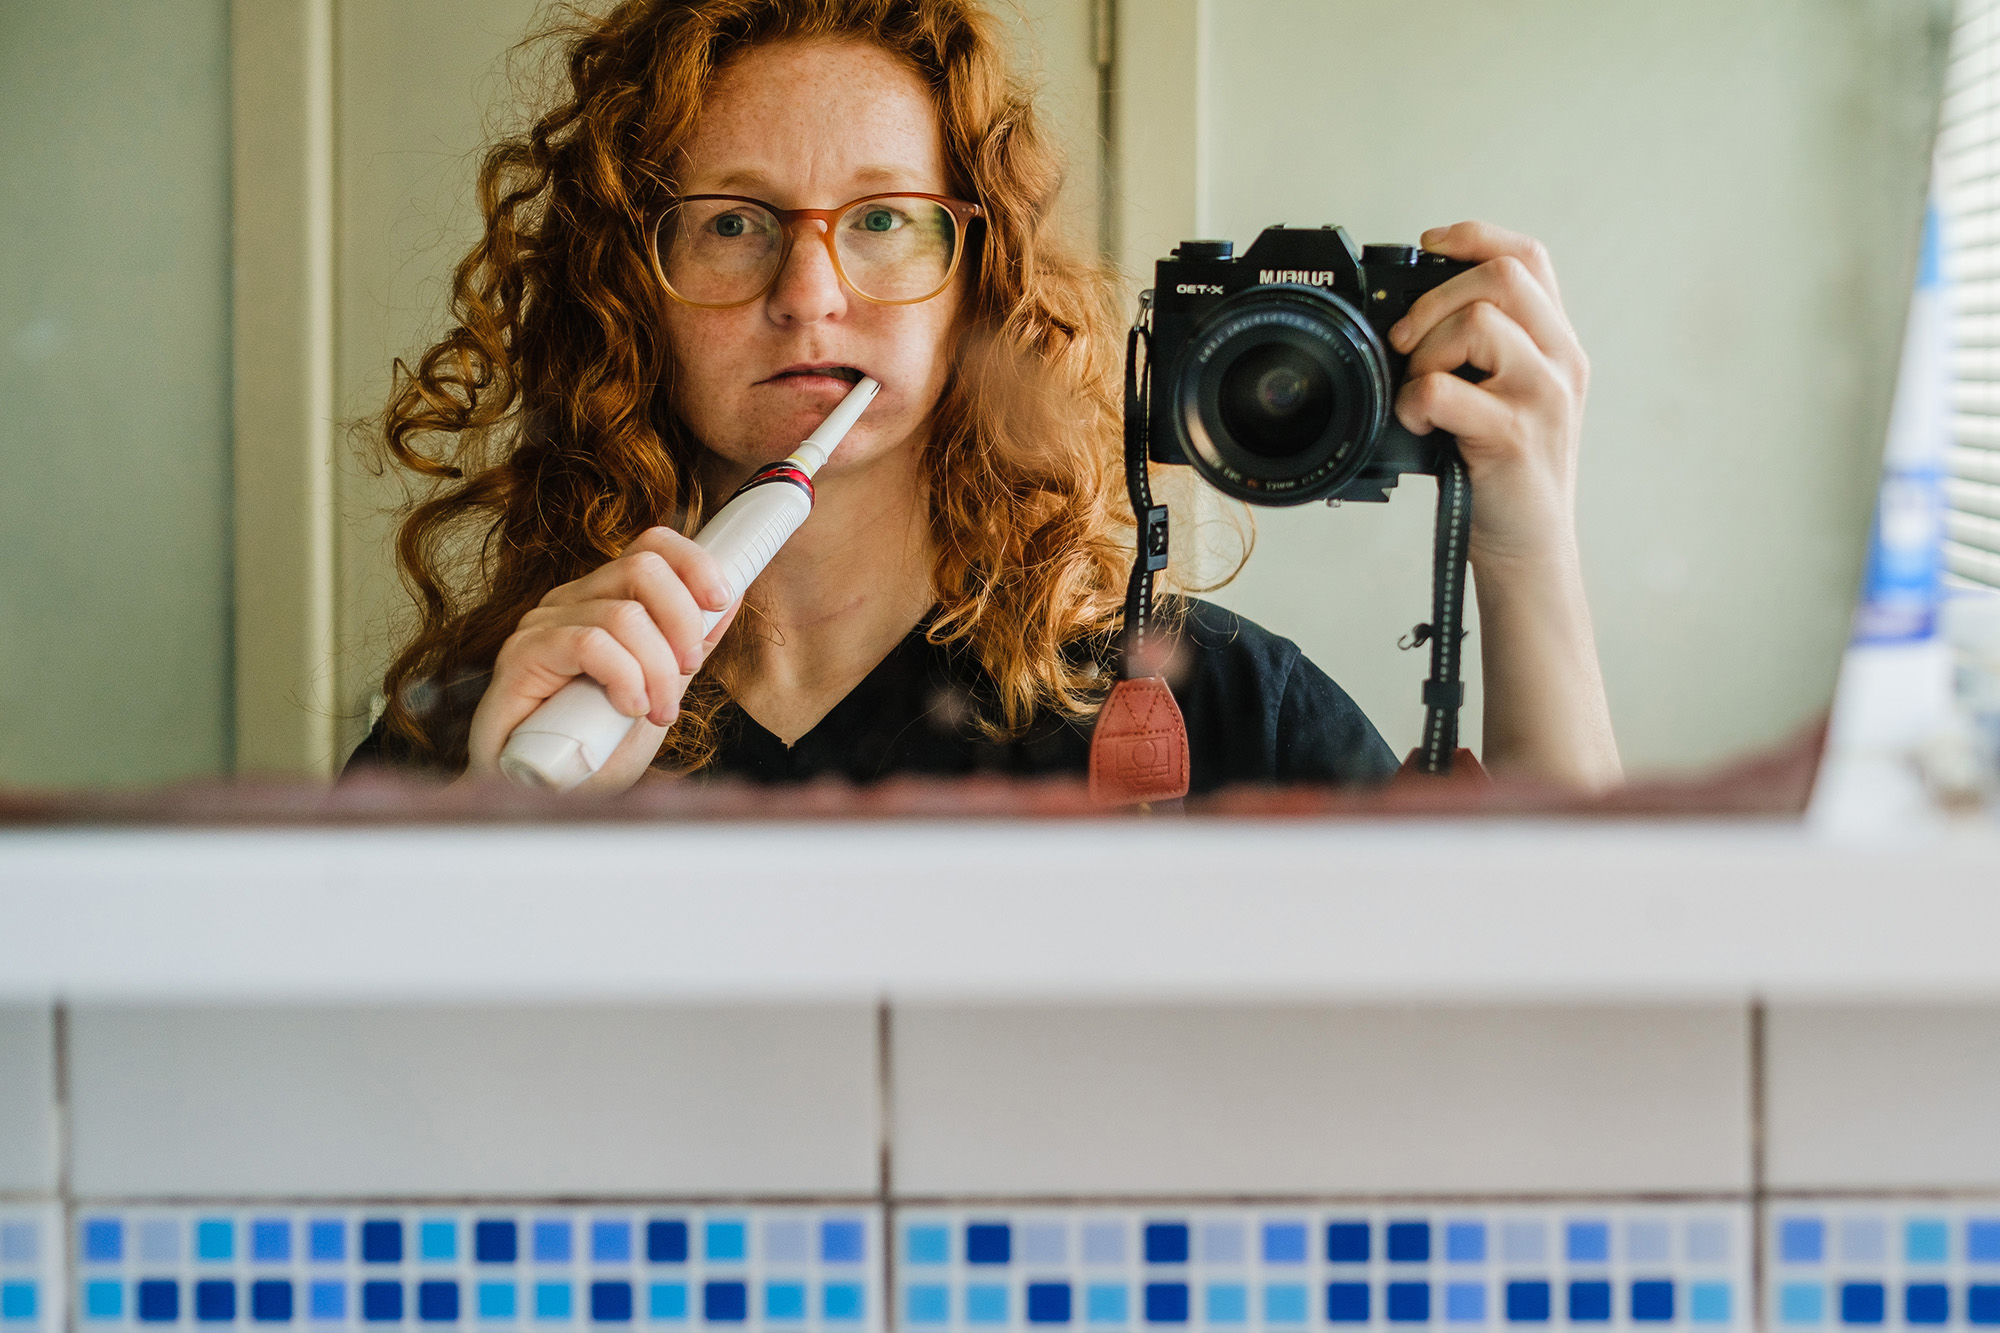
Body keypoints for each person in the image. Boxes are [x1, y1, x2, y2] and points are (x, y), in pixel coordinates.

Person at [348, 0, 1622, 797]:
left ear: (979, 286)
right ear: (631, 289)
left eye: (885, 220)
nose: (807, 291)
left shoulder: (1210, 708)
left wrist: (1524, 541)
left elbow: (1578, 1028)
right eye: (731, 222)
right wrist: (492, 837)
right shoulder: (500, 725)